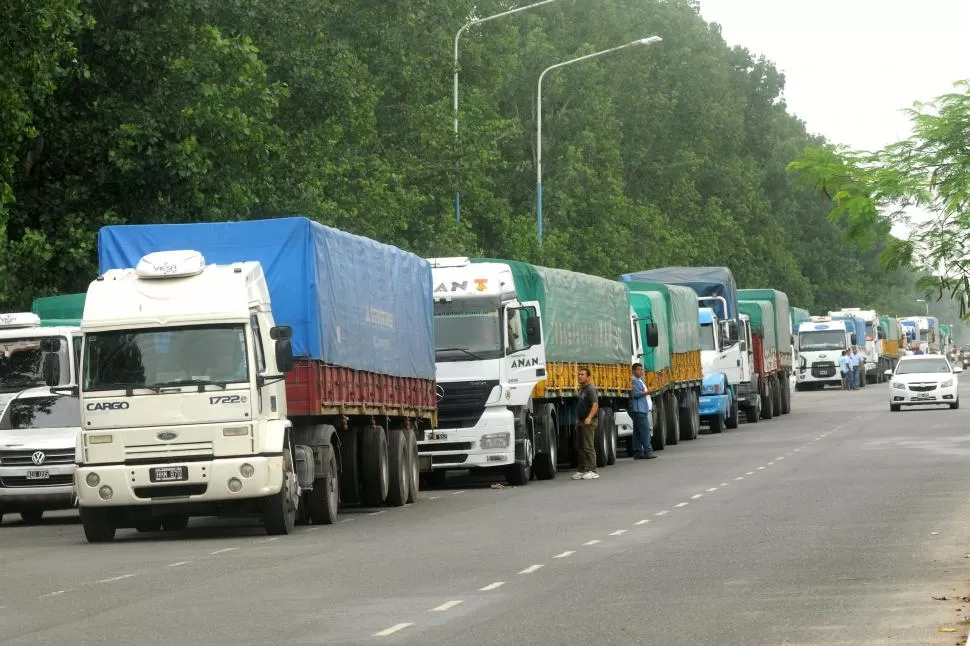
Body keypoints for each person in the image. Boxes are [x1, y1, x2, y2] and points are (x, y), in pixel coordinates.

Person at [573, 368, 600, 480]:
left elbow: (595, 405)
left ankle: (592, 470)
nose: (579, 376)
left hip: (589, 421)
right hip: (581, 421)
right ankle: (582, 470)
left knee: (588, 446)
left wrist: (589, 417)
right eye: (578, 374)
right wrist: (578, 421)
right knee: (580, 446)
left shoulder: (590, 389)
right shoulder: (582, 389)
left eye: (582, 374)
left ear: (588, 377)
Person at [630, 363, 656, 460]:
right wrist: (649, 391)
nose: (641, 371)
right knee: (645, 431)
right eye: (638, 369)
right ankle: (648, 451)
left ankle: (637, 452)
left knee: (637, 432)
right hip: (639, 409)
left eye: (641, 369)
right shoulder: (634, 380)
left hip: (641, 408)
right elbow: (636, 394)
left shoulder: (639, 380)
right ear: (633, 371)